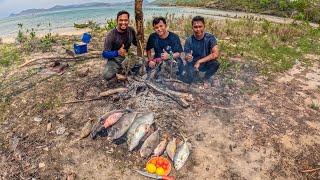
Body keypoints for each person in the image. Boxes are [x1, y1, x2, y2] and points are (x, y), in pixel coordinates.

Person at [102, 10, 137, 81]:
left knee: (143, 63)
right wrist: (117, 52)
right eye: (121, 20)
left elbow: (136, 43)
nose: (123, 23)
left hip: (127, 57)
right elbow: (105, 54)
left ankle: (125, 70)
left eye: (125, 20)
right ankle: (121, 72)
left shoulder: (131, 30)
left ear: (128, 21)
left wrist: (141, 39)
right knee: (106, 75)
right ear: (117, 21)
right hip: (114, 59)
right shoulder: (111, 34)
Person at [183, 16, 220, 84]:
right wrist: (188, 57)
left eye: (200, 26)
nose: (198, 29)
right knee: (189, 79)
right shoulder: (189, 40)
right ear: (192, 28)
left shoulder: (210, 38)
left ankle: (205, 78)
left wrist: (199, 61)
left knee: (215, 64)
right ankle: (195, 76)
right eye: (195, 27)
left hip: (205, 62)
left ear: (204, 26)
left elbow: (216, 54)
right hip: (193, 64)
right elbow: (186, 56)